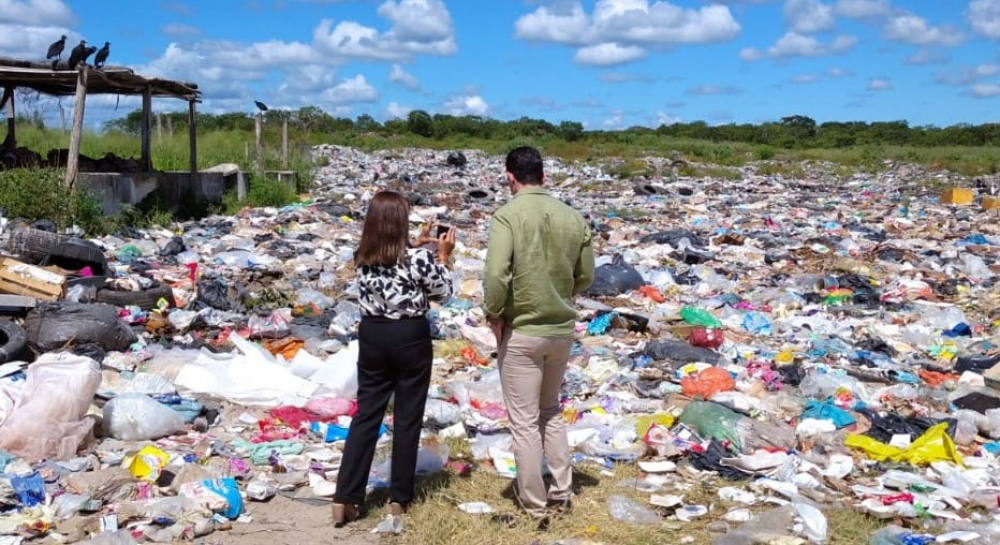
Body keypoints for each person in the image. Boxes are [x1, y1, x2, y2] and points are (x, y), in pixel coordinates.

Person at [483, 146, 595, 521]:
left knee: (525, 422)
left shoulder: (507, 216)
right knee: (551, 411)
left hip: (523, 332)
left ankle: (534, 504)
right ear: (543, 177)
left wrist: (494, 313)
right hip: (561, 331)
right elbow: (586, 276)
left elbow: (496, 274)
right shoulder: (573, 217)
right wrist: (560, 293)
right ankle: (562, 493)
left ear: (510, 178)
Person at [332, 191, 456, 526]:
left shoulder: (362, 256)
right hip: (409, 338)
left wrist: (419, 244)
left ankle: (345, 496)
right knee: (407, 417)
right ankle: (399, 498)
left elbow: (393, 262)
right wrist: (443, 256)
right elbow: (444, 292)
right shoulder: (418, 259)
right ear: (401, 223)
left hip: (373, 335)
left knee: (367, 414)